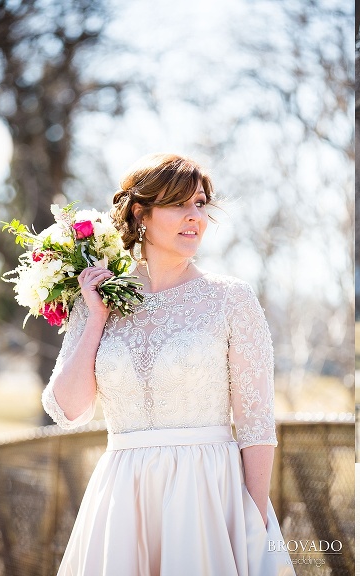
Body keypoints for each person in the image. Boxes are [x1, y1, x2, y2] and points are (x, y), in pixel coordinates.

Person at [42, 153, 295, 575]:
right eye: (179, 204)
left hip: (208, 492)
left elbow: (256, 426)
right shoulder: (99, 300)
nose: (194, 216)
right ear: (141, 214)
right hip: (122, 493)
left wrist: (254, 523)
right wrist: (95, 319)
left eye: (200, 204)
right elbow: (68, 409)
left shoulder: (231, 299)